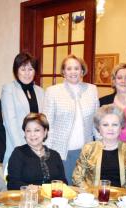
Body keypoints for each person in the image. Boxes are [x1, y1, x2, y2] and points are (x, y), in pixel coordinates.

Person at [43, 54, 99, 184]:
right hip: (60, 153)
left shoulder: (92, 89)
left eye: (76, 68)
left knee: (84, 191)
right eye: (69, 68)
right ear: (63, 71)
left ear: (82, 70)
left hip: (86, 152)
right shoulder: (52, 91)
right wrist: (46, 152)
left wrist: (102, 145)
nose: (73, 72)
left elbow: (97, 122)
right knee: (64, 190)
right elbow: (47, 124)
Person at [72, 105, 126, 189]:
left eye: (115, 124)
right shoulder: (89, 148)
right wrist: (91, 193)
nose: (110, 129)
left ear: (121, 127)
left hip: (123, 199)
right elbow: (77, 177)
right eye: (105, 125)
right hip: (94, 198)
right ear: (99, 127)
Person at [1, 52, 44, 165]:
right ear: (16, 71)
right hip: (17, 149)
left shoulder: (40, 91)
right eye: (23, 69)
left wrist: (40, 148)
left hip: (38, 149)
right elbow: (11, 123)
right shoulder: (9, 89)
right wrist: (24, 151)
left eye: (30, 69)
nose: (27, 73)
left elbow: (43, 122)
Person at [7, 113, 67, 190]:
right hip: (28, 199)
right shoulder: (18, 153)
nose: (32, 134)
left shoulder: (55, 155)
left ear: (45, 132)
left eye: (37, 130)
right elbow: (12, 183)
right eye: (28, 131)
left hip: (53, 199)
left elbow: (64, 183)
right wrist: (28, 188)